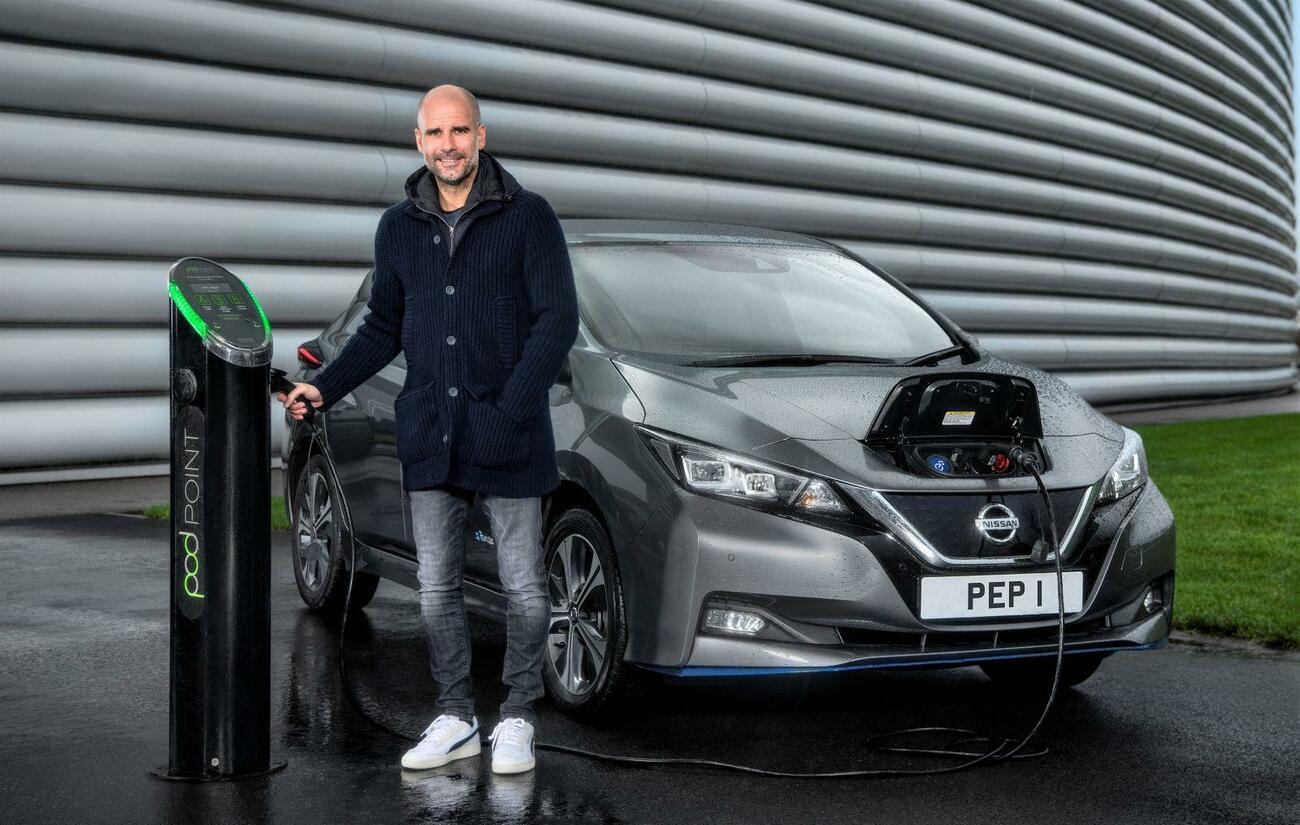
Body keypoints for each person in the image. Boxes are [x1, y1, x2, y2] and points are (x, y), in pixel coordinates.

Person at [279, 84, 579, 775]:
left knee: (523, 584)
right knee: (438, 584)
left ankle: (518, 715)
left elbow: (557, 320)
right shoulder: (398, 228)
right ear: (418, 141)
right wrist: (323, 386)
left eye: (459, 131)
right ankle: (455, 716)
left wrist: (511, 409)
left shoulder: (528, 216)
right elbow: (382, 326)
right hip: (429, 431)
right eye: (435, 133)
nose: (448, 145)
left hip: (509, 434)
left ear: (481, 136)